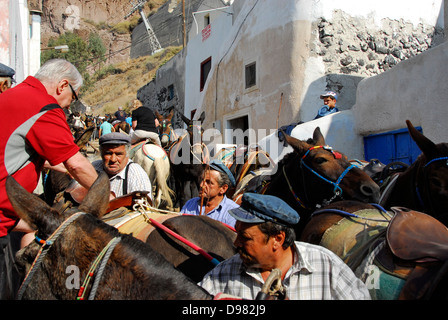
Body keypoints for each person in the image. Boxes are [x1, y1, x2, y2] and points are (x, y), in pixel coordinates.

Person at [0, 58, 98, 299]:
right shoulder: (43, 107)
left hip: (4, 214)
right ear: (62, 86)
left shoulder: (13, 96)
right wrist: (105, 190)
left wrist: (64, 167)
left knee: (41, 225)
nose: (69, 105)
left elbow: (22, 153)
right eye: (73, 97)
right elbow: (75, 163)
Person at [199, 193, 371, 300]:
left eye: (245, 238)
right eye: (237, 233)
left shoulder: (326, 265)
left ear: (278, 239)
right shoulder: (223, 274)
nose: (236, 243)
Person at [91, 132, 152, 199]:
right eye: (108, 154)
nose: (113, 159)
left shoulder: (136, 175)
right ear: (101, 154)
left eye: (118, 154)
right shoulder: (93, 168)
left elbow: (143, 206)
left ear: (127, 154)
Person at [181, 160, 239, 228]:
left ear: (223, 189)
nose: (201, 185)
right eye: (202, 180)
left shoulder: (233, 213)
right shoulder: (190, 204)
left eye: (208, 182)